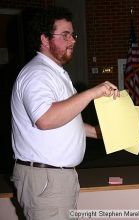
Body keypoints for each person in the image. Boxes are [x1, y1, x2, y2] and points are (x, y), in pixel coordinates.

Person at [11, 6, 120, 220]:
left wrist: (100, 132)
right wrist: (91, 93)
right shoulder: (37, 74)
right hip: (46, 179)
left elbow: (65, 120)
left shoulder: (56, 74)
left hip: (55, 179)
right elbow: (45, 119)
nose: (72, 40)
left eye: (73, 34)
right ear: (44, 39)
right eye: (65, 35)